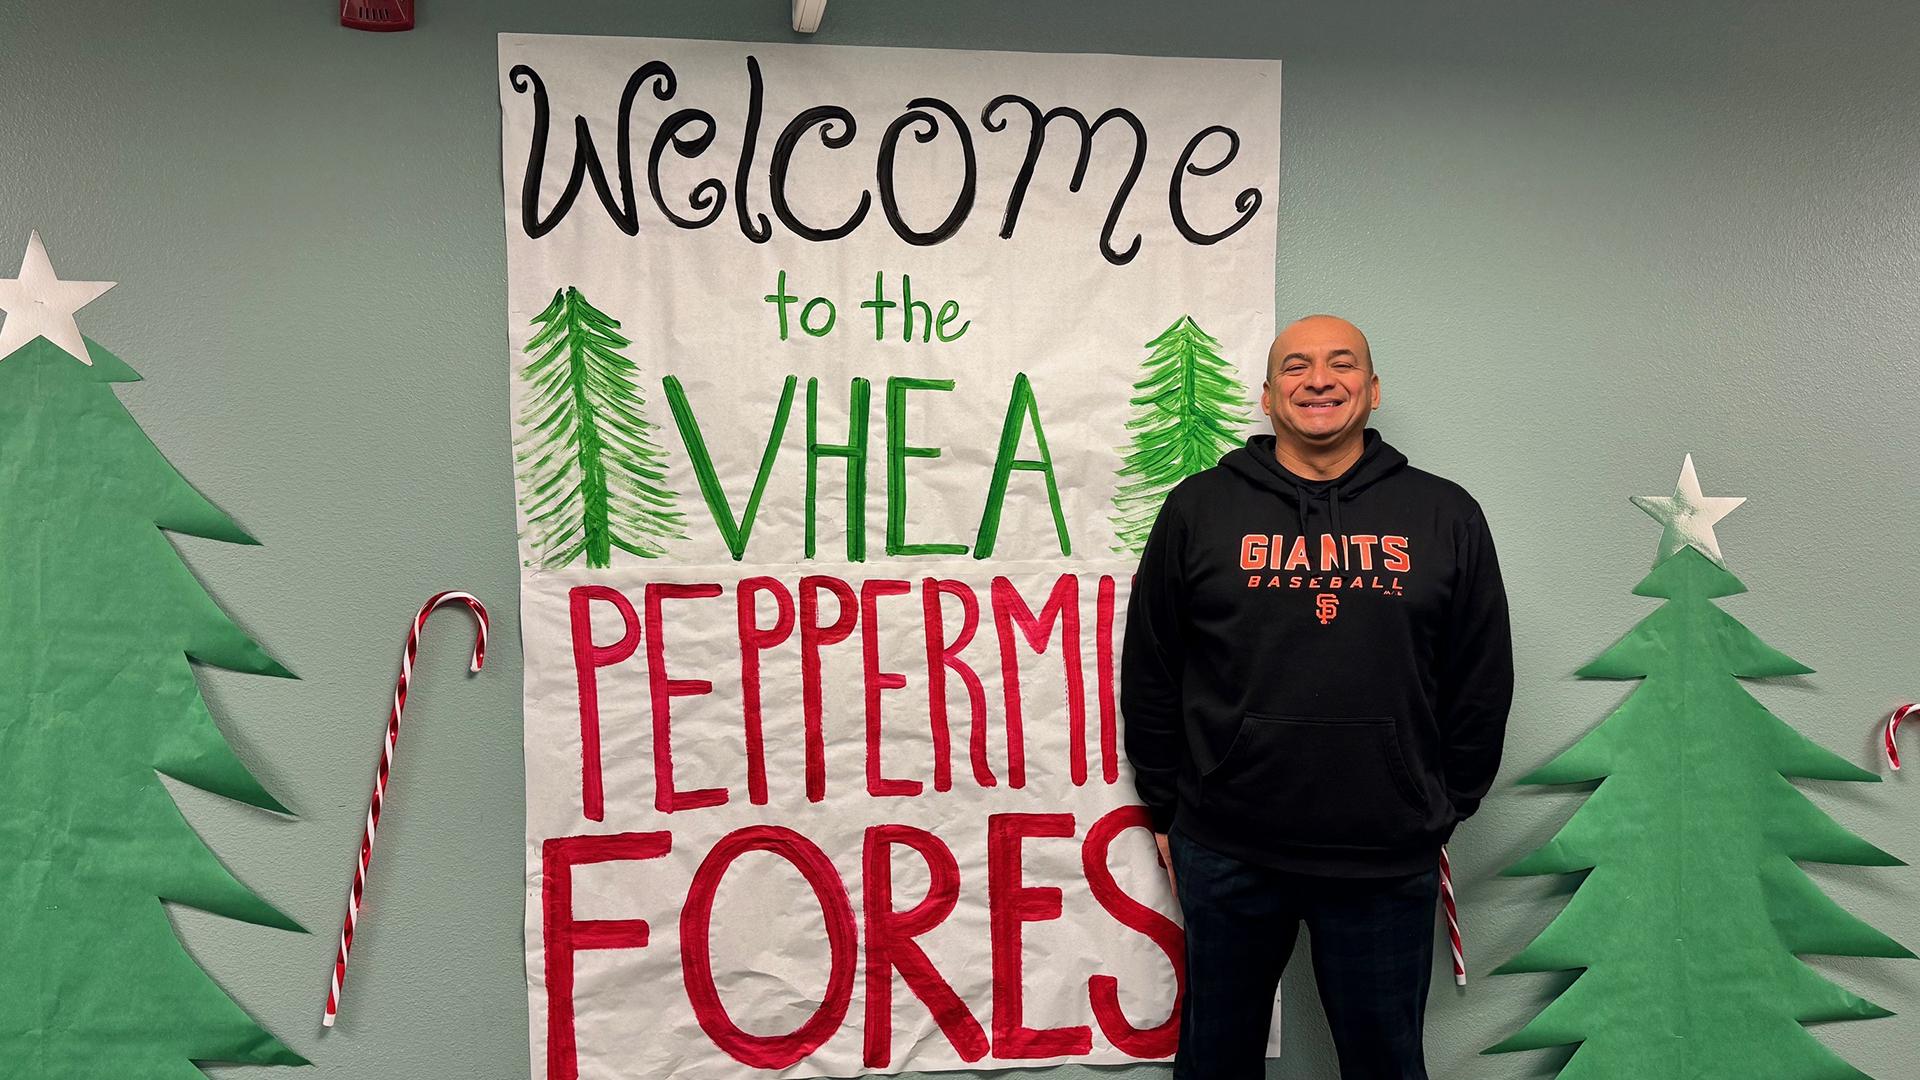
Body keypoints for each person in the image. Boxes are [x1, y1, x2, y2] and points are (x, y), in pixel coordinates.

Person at [1120, 314, 1513, 1079]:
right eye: (1296, 366)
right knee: (1216, 1063)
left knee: (1385, 1064)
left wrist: (1442, 802)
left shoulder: (1445, 515)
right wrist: (1167, 806)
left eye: (1341, 364)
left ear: (1372, 390)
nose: (1319, 378)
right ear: (1268, 397)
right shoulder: (1199, 509)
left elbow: (1481, 674)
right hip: (1228, 847)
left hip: (1385, 852)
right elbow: (1154, 666)